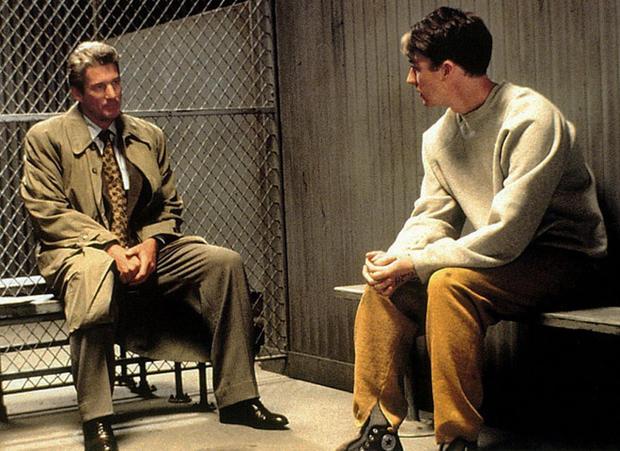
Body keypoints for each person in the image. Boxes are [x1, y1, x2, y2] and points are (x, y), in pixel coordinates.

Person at [337, 6, 607, 451]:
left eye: (416, 68)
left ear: (447, 69)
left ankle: (457, 441)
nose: (410, 79)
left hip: (564, 260)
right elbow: (431, 216)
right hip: (498, 260)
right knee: (383, 289)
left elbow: (508, 232)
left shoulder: (532, 118)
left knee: (448, 284)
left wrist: (416, 264)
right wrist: (394, 261)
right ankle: (377, 430)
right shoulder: (438, 138)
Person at [20, 41, 288, 451]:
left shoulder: (147, 136)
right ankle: (97, 418)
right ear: (76, 92)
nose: (112, 94)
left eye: (116, 83)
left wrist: (150, 244)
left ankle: (238, 397)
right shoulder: (46, 138)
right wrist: (111, 248)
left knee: (224, 263)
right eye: (99, 87)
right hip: (79, 250)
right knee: (92, 278)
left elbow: (167, 205)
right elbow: (47, 210)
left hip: (142, 248)